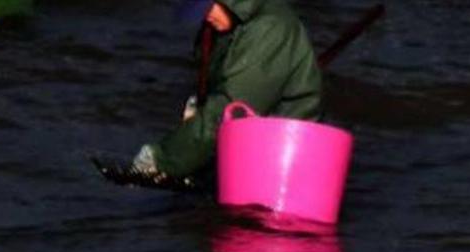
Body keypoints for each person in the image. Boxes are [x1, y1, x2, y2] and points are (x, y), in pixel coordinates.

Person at [111, 0, 323, 187]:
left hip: (285, 166)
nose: (205, 16)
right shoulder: (230, 27)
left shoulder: (268, 30)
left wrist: (161, 160)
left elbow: (228, 110)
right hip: (256, 157)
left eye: (207, 6)